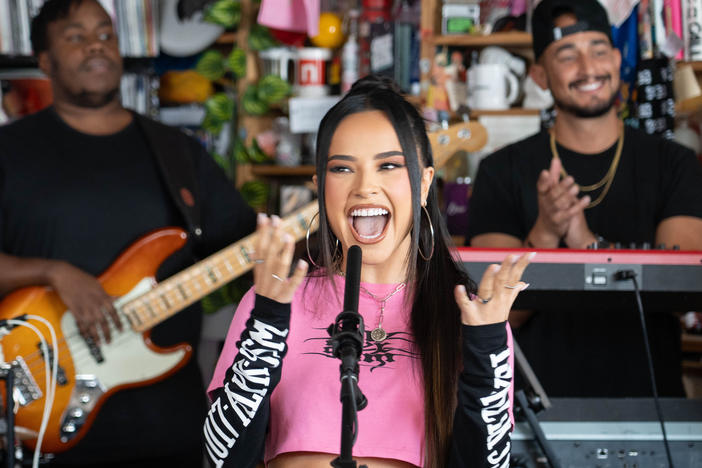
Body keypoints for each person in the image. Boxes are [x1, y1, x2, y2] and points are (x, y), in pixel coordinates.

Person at [205, 76, 533, 468]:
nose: (365, 187)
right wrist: (267, 323)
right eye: (343, 169)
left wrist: (487, 344)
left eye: (389, 166)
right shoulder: (276, 298)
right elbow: (224, 457)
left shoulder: (466, 312)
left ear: (424, 183)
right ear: (320, 187)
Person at [0, 0, 256, 466]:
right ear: (44, 62)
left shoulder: (178, 153)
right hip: (40, 423)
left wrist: (312, 231)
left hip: (165, 429)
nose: (96, 43)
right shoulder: (9, 152)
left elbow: (247, 243)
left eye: (105, 33)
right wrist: (53, 272)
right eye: (75, 36)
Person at [466, 0, 702, 397]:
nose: (588, 68)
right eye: (567, 55)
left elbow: (683, 294)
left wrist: (586, 245)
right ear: (540, 75)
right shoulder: (500, 169)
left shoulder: (674, 162)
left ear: (616, 58)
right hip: (535, 412)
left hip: (653, 411)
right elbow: (494, 312)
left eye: (597, 50)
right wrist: (544, 233)